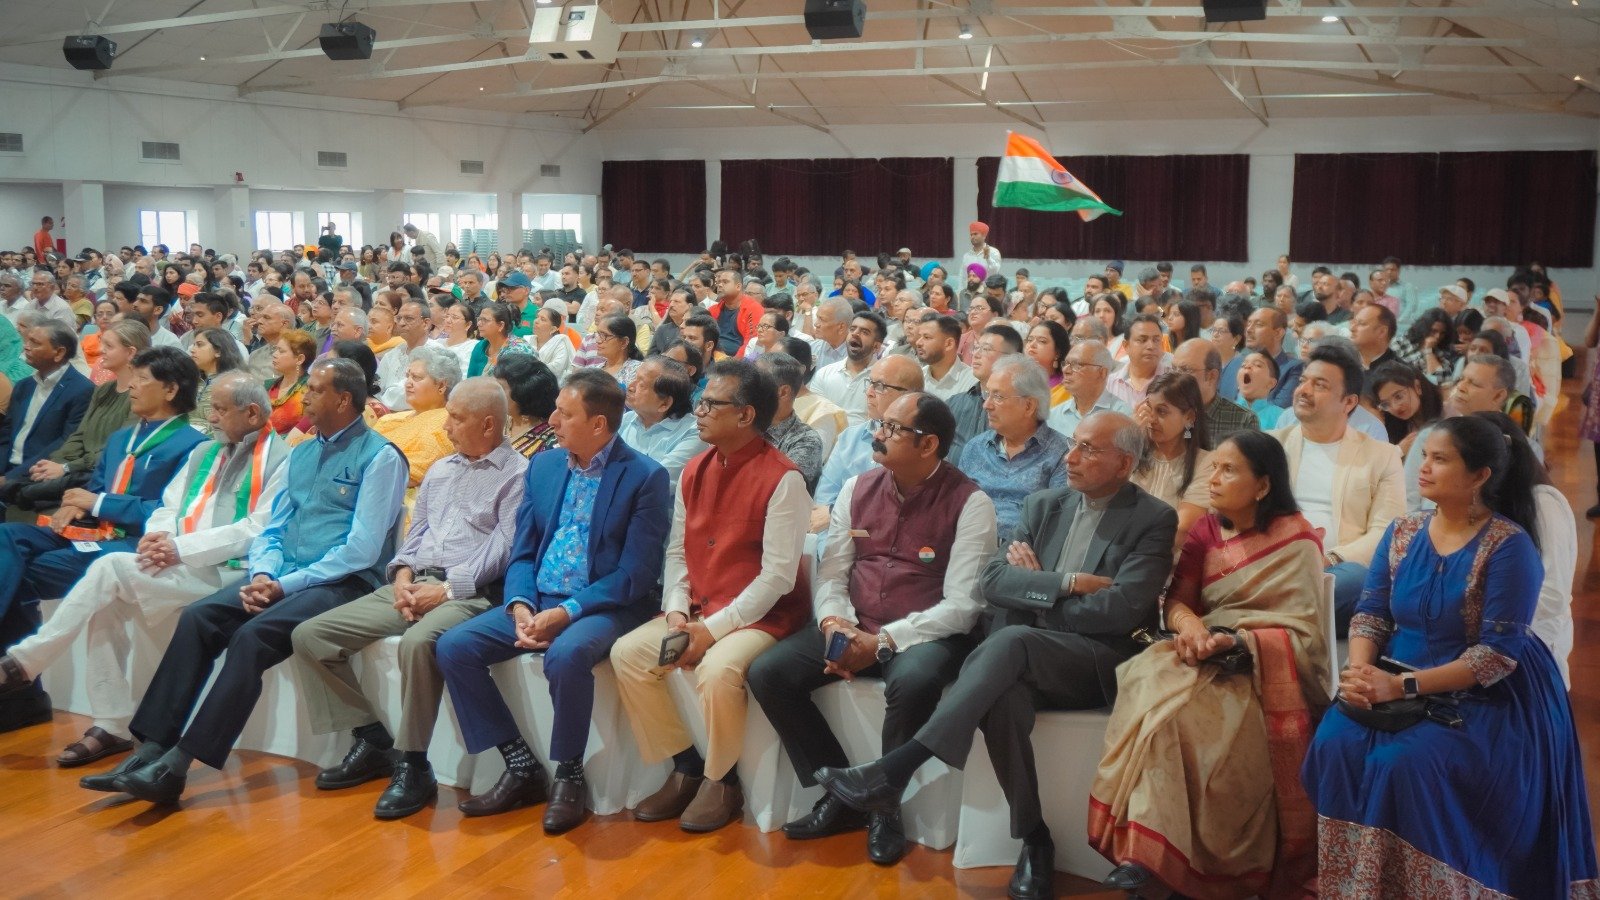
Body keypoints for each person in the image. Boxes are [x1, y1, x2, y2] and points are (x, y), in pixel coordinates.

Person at [817, 411, 1175, 900]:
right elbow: (994, 582)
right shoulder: (1045, 504)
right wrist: (1064, 585)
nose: (1071, 457)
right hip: (1026, 656)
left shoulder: (1152, 518)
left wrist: (1035, 593)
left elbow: (1122, 609)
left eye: (1090, 450)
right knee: (1003, 699)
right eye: (1074, 444)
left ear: (1125, 462)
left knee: (1008, 642)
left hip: (1094, 662)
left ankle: (897, 768)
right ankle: (1035, 839)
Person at [1302, 416, 1599, 897]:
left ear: (1480, 475)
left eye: (1440, 459)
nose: (1424, 468)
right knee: (1335, 742)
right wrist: (1360, 670)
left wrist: (1398, 687)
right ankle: (1356, 882)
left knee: (1404, 763)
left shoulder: (1509, 545)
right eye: (1424, 457)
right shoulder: (1403, 533)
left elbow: (1495, 656)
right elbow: (1371, 613)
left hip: (1484, 696)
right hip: (1395, 675)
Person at [91, 358, 408, 805]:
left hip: (345, 582)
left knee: (252, 637)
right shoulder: (302, 452)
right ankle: (152, 748)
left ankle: (179, 765)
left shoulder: (380, 457)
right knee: (200, 618)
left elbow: (362, 549)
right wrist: (263, 572)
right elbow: (272, 529)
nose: (306, 398)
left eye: (315, 390)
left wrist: (285, 584)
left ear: (343, 399)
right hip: (285, 576)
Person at [748, 392, 997, 866]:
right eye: (879, 423)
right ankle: (842, 792)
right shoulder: (857, 487)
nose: (876, 434)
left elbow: (963, 606)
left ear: (929, 445)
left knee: (914, 679)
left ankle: (884, 805)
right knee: (769, 672)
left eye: (892, 428)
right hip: (856, 620)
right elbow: (834, 571)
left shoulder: (971, 503)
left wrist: (882, 642)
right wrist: (834, 622)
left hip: (926, 633)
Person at [0, 374, 287, 767]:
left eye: (220, 410)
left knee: (109, 568)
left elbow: (257, 528)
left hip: (230, 571)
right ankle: (111, 724)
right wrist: (157, 538)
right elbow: (169, 506)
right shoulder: (207, 451)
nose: (213, 419)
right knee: (107, 599)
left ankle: (27, 662)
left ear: (252, 412)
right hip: (178, 559)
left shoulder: (282, 458)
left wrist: (179, 548)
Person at [1089, 431, 1325, 896]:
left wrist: (1239, 642)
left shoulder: (1296, 539)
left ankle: (1198, 864)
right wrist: (1192, 629)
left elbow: (1305, 634)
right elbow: (1177, 602)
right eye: (1213, 467)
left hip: (1259, 670)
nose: (1213, 479)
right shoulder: (1205, 530)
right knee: (1152, 700)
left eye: (1229, 470)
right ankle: (1145, 853)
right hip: (1198, 653)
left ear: (1262, 485)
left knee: (1197, 726)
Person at [290, 379, 528, 820]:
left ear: (489, 424)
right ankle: (371, 737)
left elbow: (504, 549)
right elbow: (414, 536)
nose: (447, 426)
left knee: (421, 643)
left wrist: (446, 589)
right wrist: (401, 577)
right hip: (413, 583)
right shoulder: (441, 469)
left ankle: (414, 763)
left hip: (471, 593)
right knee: (311, 636)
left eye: (456, 417)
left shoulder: (517, 475)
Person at [610, 360, 812, 833]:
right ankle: (685, 764)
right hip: (700, 605)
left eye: (709, 404)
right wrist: (679, 610)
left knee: (719, 670)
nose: (697, 412)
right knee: (629, 654)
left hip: (765, 616)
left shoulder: (784, 478)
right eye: (699, 402)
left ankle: (722, 781)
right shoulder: (694, 470)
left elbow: (778, 578)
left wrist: (712, 630)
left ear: (745, 415)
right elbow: (678, 550)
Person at [0, 346, 205, 731]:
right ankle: (21, 695)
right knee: (7, 535)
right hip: (88, 536)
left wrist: (100, 502)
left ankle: (22, 698)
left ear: (171, 389)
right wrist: (74, 507)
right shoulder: (120, 439)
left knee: (19, 578)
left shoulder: (194, 446)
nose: (131, 387)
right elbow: (92, 491)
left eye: (142, 379)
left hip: (131, 547)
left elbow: (169, 513)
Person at [1272, 344, 1405, 631]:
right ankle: (1282, 614)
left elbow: (1386, 532)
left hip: (1335, 569)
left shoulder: (1382, 456)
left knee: (1356, 582)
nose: (1304, 390)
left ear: (1348, 402)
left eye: (1319, 385)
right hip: (1273, 562)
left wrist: (1328, 558)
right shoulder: (1271, 446)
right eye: (1303, 381)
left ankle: (1267, 613)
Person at [0, 320, 148, 519]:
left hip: (93, 475)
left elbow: (115, 449)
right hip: (66, 468)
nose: (100, 350)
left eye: (109, 346)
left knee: (21, 497)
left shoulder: (138, 396)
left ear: (130, 353)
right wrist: (54, 464)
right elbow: (78, 436)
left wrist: (64, 467)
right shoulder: (103, 390)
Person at [958, 353, 1069, 540]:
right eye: (987, 394)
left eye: (998, 396)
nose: (986, 405)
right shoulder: (976, 447)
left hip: (1020, 552)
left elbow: (1056, 522)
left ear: (1029, 405)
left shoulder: (1061, 455)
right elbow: (955, 504)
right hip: (966, 540)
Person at [814, 355, 925, 515]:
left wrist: (834, 515)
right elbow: (823, 500)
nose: (868, 392)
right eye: (870, 383)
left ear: (908, 395)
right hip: (838, 535)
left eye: (879, 386)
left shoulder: (919, 444)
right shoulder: (849, 438)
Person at [0, 320, 95, 487]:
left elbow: (65, 444)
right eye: (27, 341)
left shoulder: (82, 390)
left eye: (35, 343)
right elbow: (6, 434)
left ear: (58, 352)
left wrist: (9, 479)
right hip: (7, 470)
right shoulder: (24, 386)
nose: (26, 347)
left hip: (38, 476)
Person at [1131, 372, 1213, 550]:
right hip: (1122, 554)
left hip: (1169, 563)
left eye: (1161, 411)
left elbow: (1181, 531)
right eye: (1148, 409)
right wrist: (1130, 440)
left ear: (1189, 417)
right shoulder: (1133, 454)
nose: (1151, 419)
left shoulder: (1206, 463)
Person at [374, 345, 459, 496]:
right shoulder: (389, 419)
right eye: (407, 376)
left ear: (441, 385)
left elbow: (413, 472)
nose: (407, 383)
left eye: (417, 378)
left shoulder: (446, 422)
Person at [618, 355, 706, 492]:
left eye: (641, 384)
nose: (630, 386)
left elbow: (654, 483)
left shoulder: (693, 433)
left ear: (664, 404)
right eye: (635, 378)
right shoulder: (626, 420)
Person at [756, 352, 824, 494]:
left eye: (757, 382)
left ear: (783, 392)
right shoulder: (743, 422)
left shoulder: (805, 440)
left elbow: (775, 489)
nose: (747, 388)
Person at [1171, 338, 1258, 448]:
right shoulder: (1164, 412)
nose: (1175, 377)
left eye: (1186, 370)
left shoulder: (1243, 420)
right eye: (1173, 369)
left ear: (1212, 376)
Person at [812, 313, 887, 427]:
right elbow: (814, 414)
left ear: (876, 346)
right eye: (852, 329)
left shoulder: (884, 381)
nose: (855, 334)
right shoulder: (824, 373)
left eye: (864, 332)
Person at [493, 353, 562, 459]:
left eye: (500, 388)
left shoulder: (552, 440)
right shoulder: (497, 419)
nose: (494, 393)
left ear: (522, 394)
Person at [187, 327, 245, 436]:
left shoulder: (235, 385)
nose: (192, 349)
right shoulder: (191, 381)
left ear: (218, 351)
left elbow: (235, 425)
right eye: (194, 345)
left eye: (199, 345)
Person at [1106, 314, 1169, 410]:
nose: (1151, 346)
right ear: (1126, 345)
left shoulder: (1174, 381)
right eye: (1142, 340)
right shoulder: (1110, 384)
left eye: (1156, 340)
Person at [1021, 320, 1071, 408]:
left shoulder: (1067, 389)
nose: (1032, 345)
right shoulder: (1015, 380)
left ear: (1057, 353)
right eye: (1029, 340)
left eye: (1042, 341)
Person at [1236, 350, 1285, 429]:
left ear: (1271, 383)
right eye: (1243, 365)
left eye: (1258, 365)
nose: (1247, 366)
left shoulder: (1282, 417)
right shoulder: (1222, 411)